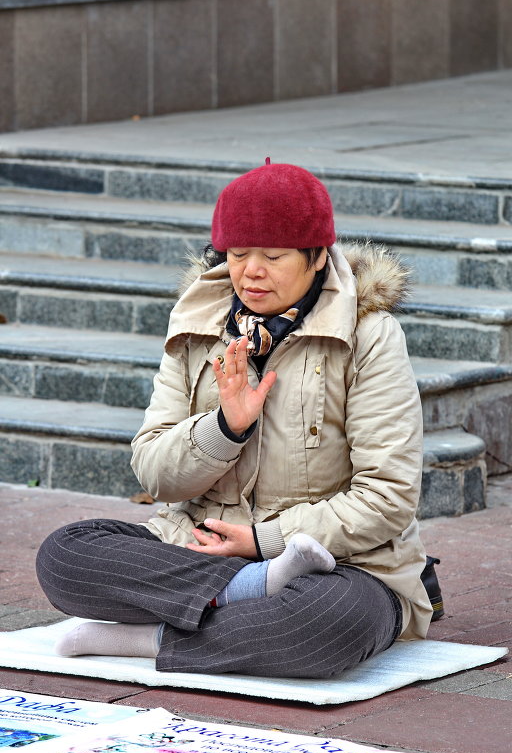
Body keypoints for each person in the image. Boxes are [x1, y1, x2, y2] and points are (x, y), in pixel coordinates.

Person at [36, 161, 433, 678]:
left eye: (273, 256)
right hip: (200, 547)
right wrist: (225, 428)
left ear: (317, 257)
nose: (251, 271)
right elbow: (154, 472)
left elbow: (388, 496)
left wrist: (265, 543)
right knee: (64, 557)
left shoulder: (370, 335)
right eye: (238, 254)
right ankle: (253, 592)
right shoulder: (197, 325)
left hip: (336, 565)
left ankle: (144, 637)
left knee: (327, 623)